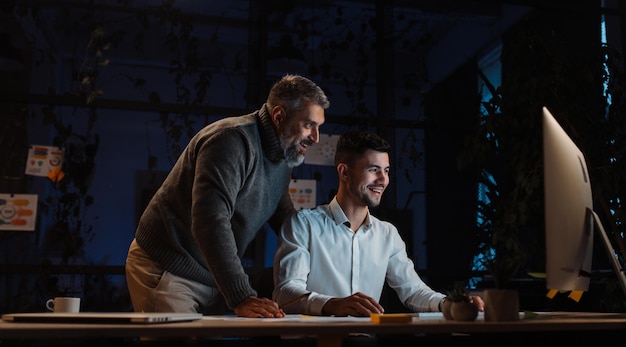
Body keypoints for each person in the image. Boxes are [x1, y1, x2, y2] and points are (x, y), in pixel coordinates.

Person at [125, 74, 330, 318]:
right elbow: (210, 220)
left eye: (318, 127)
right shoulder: (231, 140)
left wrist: (329, 251)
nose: (316, 138)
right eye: (309, 125)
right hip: (168, 266)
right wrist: (241, 296)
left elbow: (286, 219)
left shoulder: (281, 159)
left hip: (209, 274)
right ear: (278, 116)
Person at [273, 129, 484, 316]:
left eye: (387, 170)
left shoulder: (387, 234)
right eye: (374, 170)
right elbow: (286, 292)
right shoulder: (303, 225)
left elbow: (414, 291)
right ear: (344, 172)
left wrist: (451, 303)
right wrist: (332, 305)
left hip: (365, 340)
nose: (383, 180)